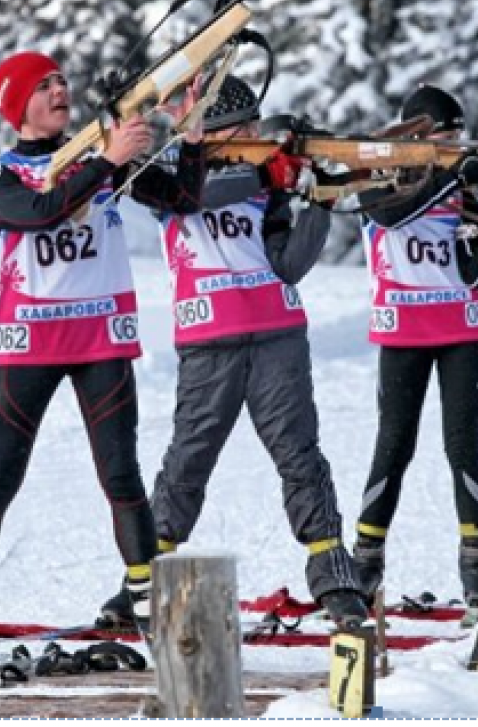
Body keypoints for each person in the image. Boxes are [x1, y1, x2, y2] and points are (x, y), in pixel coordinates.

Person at [0, 51, 205, 661]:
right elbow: (38, 212)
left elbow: (184, 200)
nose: (60, 90)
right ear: (17, 107)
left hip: (100, 338)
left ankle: (154, 611)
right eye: (43, 86)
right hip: (27, 342)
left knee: (122, 477)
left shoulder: (100, 159)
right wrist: (108, 161)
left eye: (62, 81)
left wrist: (189, 140)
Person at [97, 76, 369, 629]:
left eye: (254, 126)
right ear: (216, 131)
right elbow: (195, 196)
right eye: (243, 128)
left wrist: (319, 199)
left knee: (301, 458)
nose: (254, 135)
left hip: (277, 334)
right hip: (209, 339)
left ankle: (335, 578)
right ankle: (143, 582)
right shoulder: (177, 174)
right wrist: (264, 173)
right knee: (187, 464)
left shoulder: (268, 183)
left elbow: (289, 264)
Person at [351, 84, 478, 610]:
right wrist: (452, 176)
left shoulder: (461, 187)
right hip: (403, 331)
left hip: (461, 331)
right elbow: (391, 216)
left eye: (459, 139)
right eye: (447, 138)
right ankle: (365, 562)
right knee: (394, 446)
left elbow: (474, 272)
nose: (455, 147)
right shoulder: (377, 175)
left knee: (463, 449)